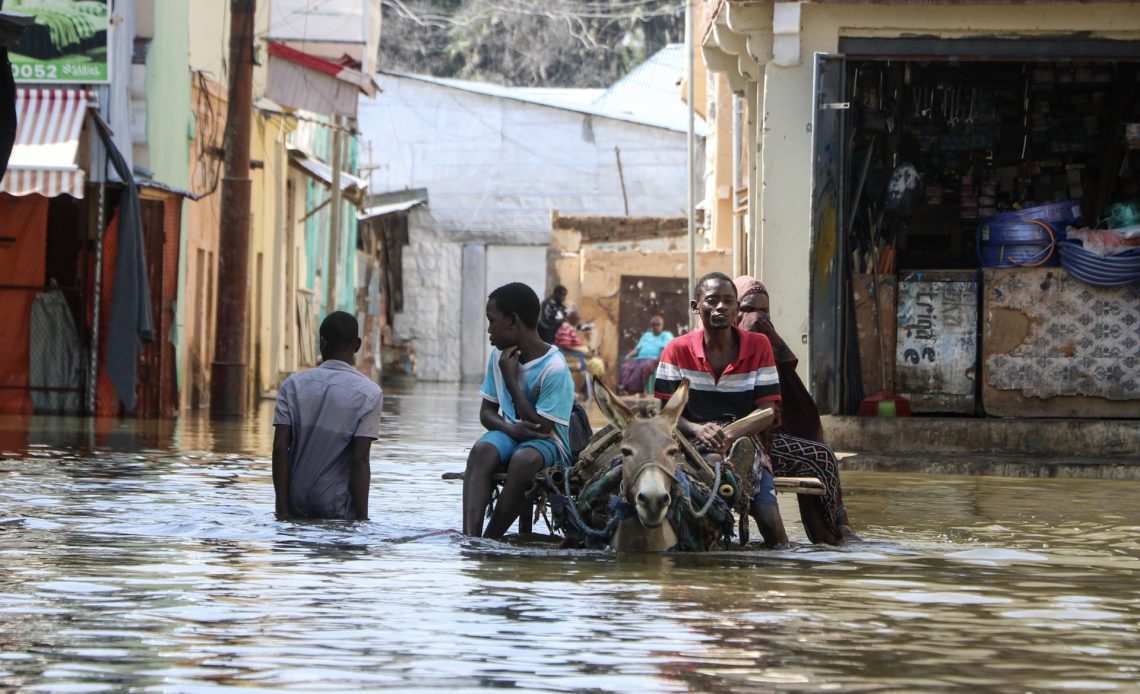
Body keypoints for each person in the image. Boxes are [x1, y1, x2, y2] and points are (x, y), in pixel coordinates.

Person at [654, 272, 790, 548]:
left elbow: (766, 412)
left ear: (736, 309)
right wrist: (696, 429)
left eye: (728, 301)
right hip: (689, 440)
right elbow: (665, 414)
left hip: (743, 439)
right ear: (696, 307)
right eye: (712, 301)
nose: (721, 308)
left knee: (769, 521)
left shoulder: (758, 345)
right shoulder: (676, 349)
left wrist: (728, 433)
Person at [734, 275, 859, 544]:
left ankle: (832, 536)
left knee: (820, 457)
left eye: (763, 311)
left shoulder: (764, 348)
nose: (755, 318)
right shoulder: (720, 345)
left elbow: (782, 408)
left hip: (764, 439)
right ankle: (837, 533)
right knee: (821, 457)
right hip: (733, 439)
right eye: (746, 309)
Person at [463, 282, 575, 539]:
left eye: (492, 321)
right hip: (511, 433)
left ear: (513, 321)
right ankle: (470, 539)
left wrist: (512, 381)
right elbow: (486, 413)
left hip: (548, 443)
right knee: (482, 450)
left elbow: (540, 428)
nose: (489, 329)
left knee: (523, 460)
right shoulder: (498, 357)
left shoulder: (554, 367)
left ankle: (490, 539)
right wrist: (509, 428)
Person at [272, 311, 383, 521]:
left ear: (321, 343)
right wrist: (362, 521)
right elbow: (359, 460)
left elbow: (280, 448)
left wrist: (282, 510)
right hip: (337, 508)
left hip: (294, 503)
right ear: (357, 345)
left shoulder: (292, 385)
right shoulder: (369, 393)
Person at [619, 315, 673, 395]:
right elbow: (637, 349)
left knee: (642, 367)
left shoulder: (666, 335)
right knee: (626, 366)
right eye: (653, 325)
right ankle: (624, 387)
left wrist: (658, 361)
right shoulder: (646, 335)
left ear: (662, 325)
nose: (655, 326)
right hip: (639, 358)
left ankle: (635, 390)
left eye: (658, 324)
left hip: (652, 359)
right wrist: (628, 356)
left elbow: (665, 350)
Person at [555, 308, 605, 379]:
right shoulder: (565, 329)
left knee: (599, 362)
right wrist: (582, 353)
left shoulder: (571, 328)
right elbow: (565, 346)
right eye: (577, 318)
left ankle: (592, 384)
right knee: (597, 364)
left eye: (578, 318)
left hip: (579, 355)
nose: (578, 320)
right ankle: (594, 385)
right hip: (572, 356)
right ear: (571, 318)